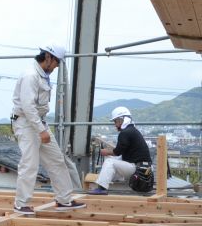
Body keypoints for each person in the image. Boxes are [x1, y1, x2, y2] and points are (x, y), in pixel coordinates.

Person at [11, 44, 86, 214]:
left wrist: (41, 128)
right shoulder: (31, 75)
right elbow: (28, 107)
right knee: (29, 163)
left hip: (38, 123)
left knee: (57, 160)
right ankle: (21, 204)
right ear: (48, 57)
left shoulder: (42, 74)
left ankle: (64, 200)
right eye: (56, 62)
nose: (57, 66)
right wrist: (41, 130)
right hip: (27, 123)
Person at [88, 106, 152, 195]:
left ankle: (102, 188)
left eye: (115, 121)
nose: (115, 124)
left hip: (137, 169)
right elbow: (121, 153)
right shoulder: (133, 131)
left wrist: (105, 151)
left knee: (110, 162)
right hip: (143, 169)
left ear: (122, 120)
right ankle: (107, 180)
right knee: (114, 160)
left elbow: (117, 152)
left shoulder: (125, 133)